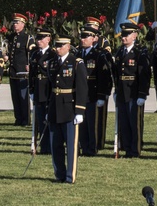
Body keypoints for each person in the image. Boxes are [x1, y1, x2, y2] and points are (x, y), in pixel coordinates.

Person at [47, 35, 88, 184]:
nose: (57, 49)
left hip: (69, 108)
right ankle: (59, 174)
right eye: (56, 46)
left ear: (68, 47)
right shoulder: (52, 63)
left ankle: (70, 176)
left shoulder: (76, 63)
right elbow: (49, 88)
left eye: (61, 46)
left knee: (71, 145)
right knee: (55, 144)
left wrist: (80, 111)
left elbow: (82, 88)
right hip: (54, 107)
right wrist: (48, 108)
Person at [113, 21, 151, 158]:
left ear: (134, 35)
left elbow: (144, 74)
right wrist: (116, 91)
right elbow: (116, 74)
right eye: (123, 35)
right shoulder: (119, 52)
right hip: (123, 91)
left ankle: (135, 150)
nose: (123, 37)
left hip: (134, 92)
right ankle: (127, 148)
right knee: (124, 122)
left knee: (134, 122)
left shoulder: (139, 52)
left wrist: (142, 93)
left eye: (127, 35)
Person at [77, 27, 113, 156]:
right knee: (81, 123)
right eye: (82, 37)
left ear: (93, 39)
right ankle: (83, 145)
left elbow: (104, 77)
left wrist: (102, 95)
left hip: (93, 94)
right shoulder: (77, 54)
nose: (83, 39)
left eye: (86, 37)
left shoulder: (98, 55)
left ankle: (92, 147)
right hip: (80, 95)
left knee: (92, 123)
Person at [7, 12, 34, 127]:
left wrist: (29, 65)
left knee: (23, 98)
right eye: (14, 22)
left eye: (17, 23)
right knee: (15, 97)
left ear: (23, 24)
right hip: (13, 71)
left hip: (23, 72)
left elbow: (32, 53)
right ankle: (18, 118)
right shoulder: (11, 37)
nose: (14, 25)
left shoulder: (27, 38)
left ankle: (25, 119)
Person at [29, 29, 54, 154]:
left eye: (42, 39)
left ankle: (49, 146)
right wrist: (31, 89)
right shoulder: (34, 54)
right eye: (38, 39)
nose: (39, 41)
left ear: (48, 39)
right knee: (39, 119)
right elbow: (31, 74)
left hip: (48, 89)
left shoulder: (52, 54)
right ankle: (43, 146)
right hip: (38, 90)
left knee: (48, 120)